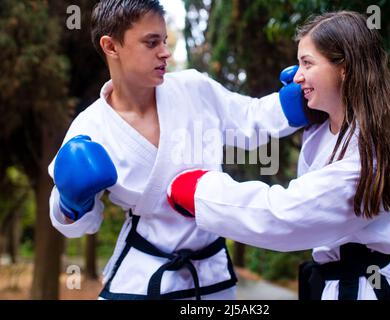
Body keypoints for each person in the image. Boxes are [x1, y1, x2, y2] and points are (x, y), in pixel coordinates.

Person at [166, 11, 390, 300]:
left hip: (359, 290)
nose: (296, 75)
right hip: (336, 281)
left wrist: (201, 192)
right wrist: (389, 221)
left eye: (307, 63)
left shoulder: (365, 153)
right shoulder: (324, 130)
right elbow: (341, 205)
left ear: (345, 68)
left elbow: (284, 217)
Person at [48, 0, 307, 300]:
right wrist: (70, 203)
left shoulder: (194, 88)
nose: (165, 52)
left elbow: (251, 118)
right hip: (142, 279)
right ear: (111, 46)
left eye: (165, 41)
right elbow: (79, 226)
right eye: (151, 42)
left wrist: (299, 101)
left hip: (211, 279)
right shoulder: (90, 127)